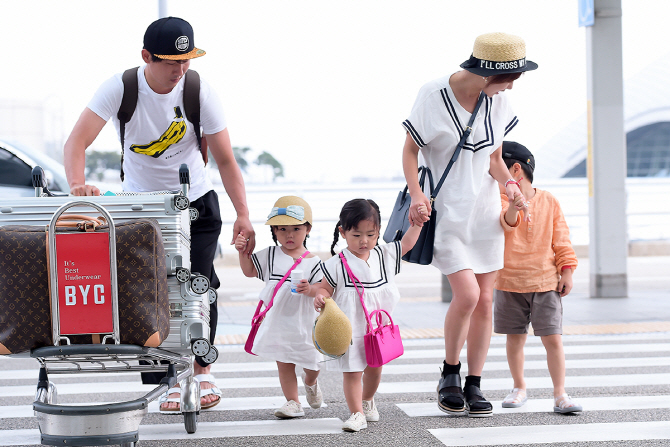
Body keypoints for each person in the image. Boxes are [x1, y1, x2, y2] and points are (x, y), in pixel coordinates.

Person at [62, 16, 256, 412]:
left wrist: (244, 215)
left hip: (196, 202)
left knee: (200, 286)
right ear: (146, 56)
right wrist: (78, 187)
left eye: (186, 61)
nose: (179, 70)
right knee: (149, 292)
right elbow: (76, 142)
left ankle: (202, 372)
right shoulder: (121, 88)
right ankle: (164, 378)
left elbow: (226, 161)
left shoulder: (200, 91)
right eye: (170, 62)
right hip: (142, 207)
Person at [401, 32, 538, 417]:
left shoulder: (498, 100)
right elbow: (410, 151)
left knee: (486, 300)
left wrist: (512, 188)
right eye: (508, 78)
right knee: (467, 296)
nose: (511, 86)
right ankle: (449, 373)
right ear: (485, 74)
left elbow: (495, 159)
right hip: (445, 213)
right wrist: (416, 194)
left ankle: (474, 383)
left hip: (482, 215)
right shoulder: (433, 96)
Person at [313, 198, 424, 432]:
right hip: (350, 328)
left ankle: (367, 399)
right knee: (352, 371)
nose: (364, 241)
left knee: (375, 369)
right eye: (356, 235)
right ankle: (356, 413)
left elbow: (406, 245)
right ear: (342, 232)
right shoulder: (336, 264)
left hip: (377, 329)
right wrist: (320, 296)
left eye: (370, 235)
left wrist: (417, 225)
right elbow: (325, 287)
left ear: (378, 232)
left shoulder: (383, 255)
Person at [494, 141, 582, 414]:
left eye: (498, 172)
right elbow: (506, 224)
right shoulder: (498, 198)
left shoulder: (549, 201)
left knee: (553, 338)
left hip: (546, 282)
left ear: (516, 170)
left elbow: (562, 239)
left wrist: (566, 270)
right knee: (514, 338)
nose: (495, 179)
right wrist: (513, 205)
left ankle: (560, 394)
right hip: (508, 281)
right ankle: (519, 387)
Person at [234, 196, 325, 418]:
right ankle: (292, 402)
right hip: (279, 320)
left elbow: (323, 290)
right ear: (274, 231)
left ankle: (311, 381)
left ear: (308, 229)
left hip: (304, 321)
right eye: (282, 229)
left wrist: (311, 290)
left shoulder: (314, 262)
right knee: (284, 362)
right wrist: (241, 250)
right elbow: (249, 271)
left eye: (296, 228)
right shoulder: (271, 255)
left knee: (312, 362)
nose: (289, 235)